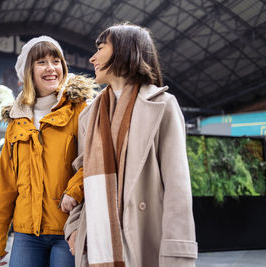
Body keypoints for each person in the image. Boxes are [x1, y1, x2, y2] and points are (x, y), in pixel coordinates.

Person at [64, 22, 198, 267]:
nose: (93, 58)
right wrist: (73, 226)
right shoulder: (89, 116)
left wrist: (177, 251)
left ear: (125, 51)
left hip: (145, 236)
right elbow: (82, 177)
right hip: (95, 241)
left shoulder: (162, 105)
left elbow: (177, 189)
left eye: (101, 48)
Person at [0, 36, 97, 267]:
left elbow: (96, 158)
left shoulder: (80, 110)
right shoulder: (16, 121)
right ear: (28, 71)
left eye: (56, 61)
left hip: (68, 227)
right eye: (41, 62)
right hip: (27, 233)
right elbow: (6, 185)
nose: (51, 68)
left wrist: (74, 190)